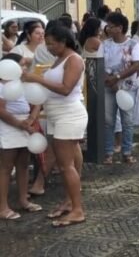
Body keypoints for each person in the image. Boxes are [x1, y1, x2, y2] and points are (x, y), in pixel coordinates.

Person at [22, 26, 88, 227]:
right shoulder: (59, 59)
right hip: (56, 114)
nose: (48, 47)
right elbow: (45, 93)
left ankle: (77, 210)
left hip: (69, 114)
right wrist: (34, 114)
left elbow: (66, 88)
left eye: (51, 43)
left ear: (64, 41)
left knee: (65, 165)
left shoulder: (74, 59)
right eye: (47, 43)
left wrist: (36, 78)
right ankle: (69, 202)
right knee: (68, 163)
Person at [0, 53, 42, 220]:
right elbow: (1, 110)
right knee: (6, 167)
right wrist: (19, 124)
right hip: (8, 125)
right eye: (21, 65)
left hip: (26, 125)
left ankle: (23, 199)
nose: (25, 68)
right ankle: (3, 206)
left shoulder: (24, 83)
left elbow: (38, 101)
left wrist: (30, 120)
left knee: (23, 164)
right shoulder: (2, 85)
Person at [102, 12, 139, 164]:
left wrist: (117, 77)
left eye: (111, 26)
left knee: (127, 120)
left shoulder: (132, 44)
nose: (108, 29)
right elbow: (101, 65)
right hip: (109, 87)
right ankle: (108, 152)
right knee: (108, 120)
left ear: (119, 28)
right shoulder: (105, 44)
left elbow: (137, 64)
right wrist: (109, 80)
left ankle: (127, 151)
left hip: (127, 87)